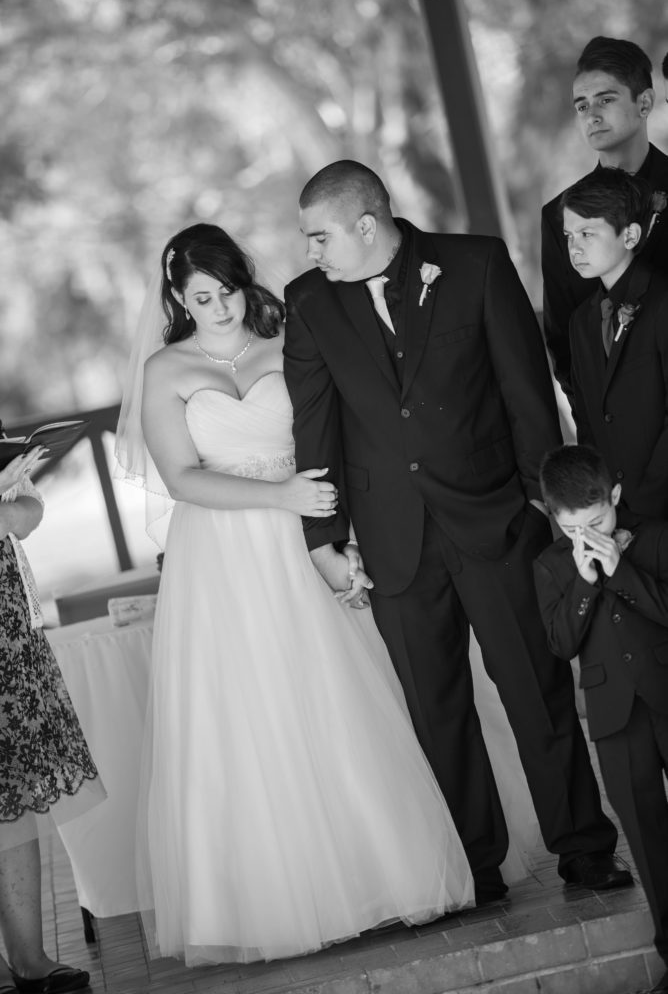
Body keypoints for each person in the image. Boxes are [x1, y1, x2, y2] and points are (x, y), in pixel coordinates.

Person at [115, 222, 488, 967]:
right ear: (177, 299)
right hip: (223, 550)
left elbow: (336, 426)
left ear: (240, 282)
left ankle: (387, 872)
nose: (217, 310)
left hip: (308, 531)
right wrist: (279, 494)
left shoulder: (287, 334)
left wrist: (324, 518)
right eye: (199, 298)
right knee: (252, 710)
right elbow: (182, 477)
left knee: (342, 692)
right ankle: (278, 896)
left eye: (224, 293)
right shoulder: (164, 369)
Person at [283, 158, 632, 907]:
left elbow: (526, 392)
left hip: (496, 521)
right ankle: (476, 866)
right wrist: (324, 537)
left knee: (536, 691)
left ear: (366, 225)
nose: (310, 252)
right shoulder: (308, 302)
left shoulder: (473, 263)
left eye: (319, 237)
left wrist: (547, 508)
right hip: (391, 538)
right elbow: (314, 427)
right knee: (435, 708)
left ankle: (584, 848)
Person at [534, 444, 668, 994]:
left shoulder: (656, 536)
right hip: (616, 717)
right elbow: (560, 643)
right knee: (648, 844)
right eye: (571, 529)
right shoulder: (549, 566)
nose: (585, 535)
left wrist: (621, 571)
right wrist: (587, 582)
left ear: (614, 497)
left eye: (596, 522)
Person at [0, 442, 104, 994]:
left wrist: (6, 507)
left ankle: (28, 958)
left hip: (6, 620)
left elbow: (27, 512)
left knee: (13, 782)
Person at [541, 36, 668, 402]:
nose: (591, 115)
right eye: (581, 106)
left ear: (644, 102)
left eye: (606, 100)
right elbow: (562, 338)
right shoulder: (557, 214)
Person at [562, 166, 668, 520]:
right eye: (568, 235)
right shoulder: (581, 322)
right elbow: (588, 420)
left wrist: (646, 500)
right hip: (617, 511)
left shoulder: (663, 302)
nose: (574, 247)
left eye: (587, 233)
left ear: (630, 235)